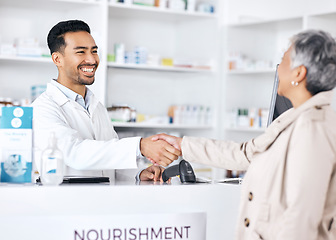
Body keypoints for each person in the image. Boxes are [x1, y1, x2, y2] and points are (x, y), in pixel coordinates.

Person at [152, 30, 336, 239]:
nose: (278, 68)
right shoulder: (293, 118)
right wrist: (182, 145)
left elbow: (302, 217)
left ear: (298, 73)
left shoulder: (313, 129)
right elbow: (246, 153)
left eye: (283, 60)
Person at [32, 20, 180, 182]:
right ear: (57, 59)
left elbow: (109, 161)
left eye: (94, 51)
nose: (91, 59)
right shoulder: (43, 108)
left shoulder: (96, 106)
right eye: (81, 52)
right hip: (66, 202)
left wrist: (138, 173)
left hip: (103, 201)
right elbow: (74, 154)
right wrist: (140, 146)